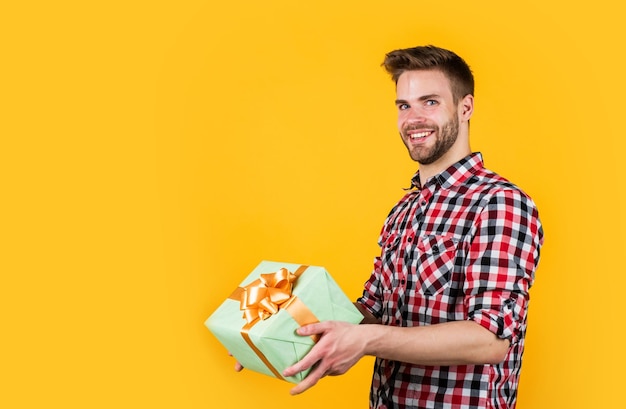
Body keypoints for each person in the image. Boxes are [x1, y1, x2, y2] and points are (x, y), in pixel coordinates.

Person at [238, 45, 544, 409]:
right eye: (404, 105)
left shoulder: (499, 202)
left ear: (466, 108)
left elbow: (489, 340)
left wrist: (366, 341)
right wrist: (276, 332)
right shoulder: (404, 210)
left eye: (429, 102)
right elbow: (375, 311)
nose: (413, 118)